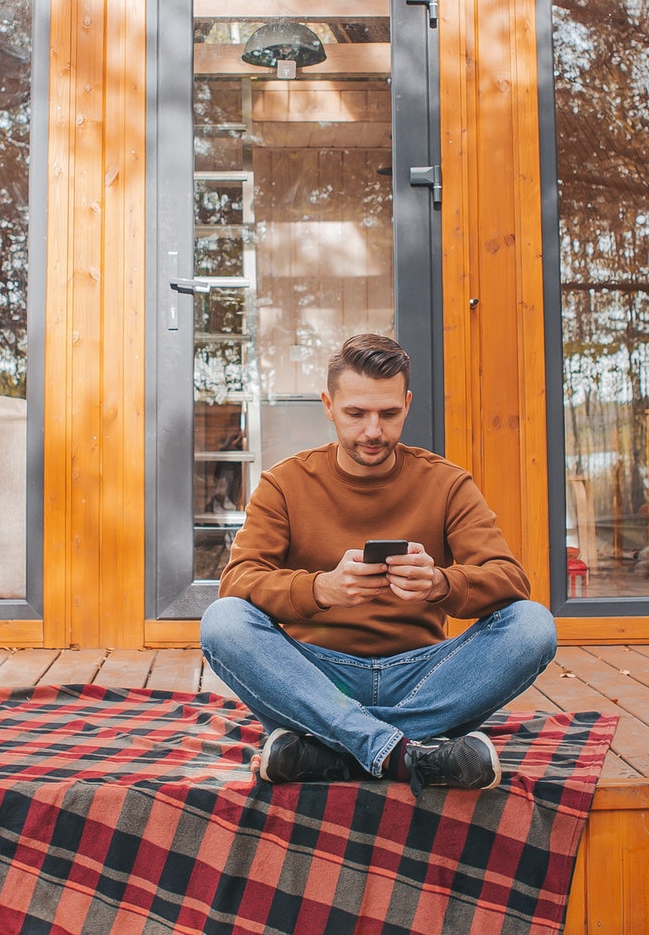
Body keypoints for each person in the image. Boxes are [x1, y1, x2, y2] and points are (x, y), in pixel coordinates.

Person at [200, 333, 559, 794]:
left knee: (533, 625)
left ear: (407, 405)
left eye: (388, 414)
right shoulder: (284, 484)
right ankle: (405, 752)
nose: (373, 431)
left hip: (424, 679)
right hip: (317, 679)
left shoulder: (447, 484)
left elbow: (510, 580)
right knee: (224, 621)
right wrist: (321, 590)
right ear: (329, 406)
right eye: (356, 414)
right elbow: (237, 582)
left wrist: (440, 584)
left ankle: (335, 749)